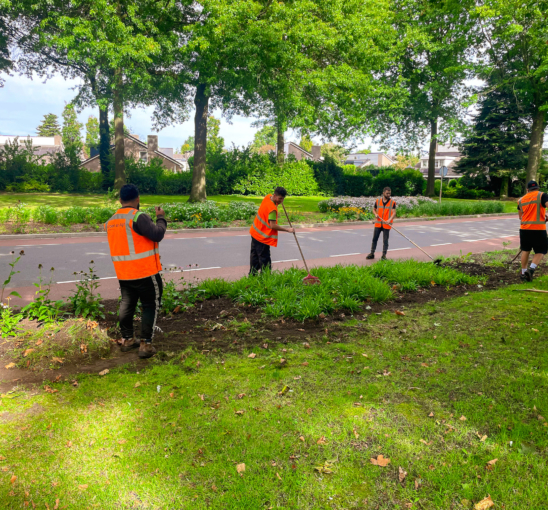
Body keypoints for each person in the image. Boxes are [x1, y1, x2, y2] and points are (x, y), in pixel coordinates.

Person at [104, 184, 167, 358]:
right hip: (145, 272)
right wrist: (161, 218)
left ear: (120, 200)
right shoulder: (138, 217)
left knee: (127, 304)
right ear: (137, 199)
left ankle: (127, 340)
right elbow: (157, 234)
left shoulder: (111, 221)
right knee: (150, 305)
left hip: (124, 273)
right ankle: (146, 344)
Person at [249, 186, 295, 274]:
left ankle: (252, 275)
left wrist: (278, 202)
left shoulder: (268, 197)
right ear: (275, 195)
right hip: (262, 237)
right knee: (264, 259)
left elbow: (273, 201)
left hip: (254, 232)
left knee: (254, 257)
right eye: (280, 198)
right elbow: (272, 226)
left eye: (283, 199)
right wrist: (287, 230)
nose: (281, 201)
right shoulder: (272, 210)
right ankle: (266, 279)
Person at [518, 180, 548, 282]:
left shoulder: (521, 200)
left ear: (527, 189)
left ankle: (523, 272)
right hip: (538, 229)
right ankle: (531, 269)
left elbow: (520, 216)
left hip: (524, 229)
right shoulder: (542, 195)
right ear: (537, 188)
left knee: (525, 250)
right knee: (541, 250)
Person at [366, 187, 397, 260]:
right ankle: (372, 253)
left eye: (389, 193)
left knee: (385, 240)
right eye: (387, 193)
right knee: (374, 239)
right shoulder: (378, 201)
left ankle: (384, 255)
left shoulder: (392, 202)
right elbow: (374, 210)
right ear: (383, 193)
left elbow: (394, 213)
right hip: (378, 224)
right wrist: (375, 214)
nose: (388, 195)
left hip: (386, 224)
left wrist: (389, 220)